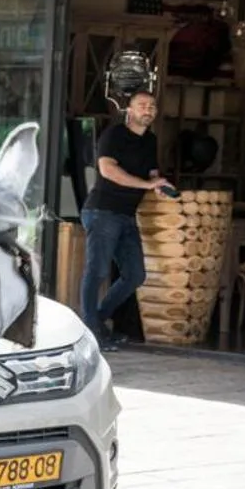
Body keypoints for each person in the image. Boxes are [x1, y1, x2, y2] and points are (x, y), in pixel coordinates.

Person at [80, 89, 171, 349]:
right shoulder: (114, 135)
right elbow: (108, 170)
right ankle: (92, 331)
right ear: (129, 111)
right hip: (102, 211)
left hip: (126, 216)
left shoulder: (150, 141)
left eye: (152, 106)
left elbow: (152, 173)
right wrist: (145, 184)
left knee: (135, 275)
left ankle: (95, 323)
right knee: (96, 271)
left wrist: (159, 184)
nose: (148, 109)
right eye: (142, 105)